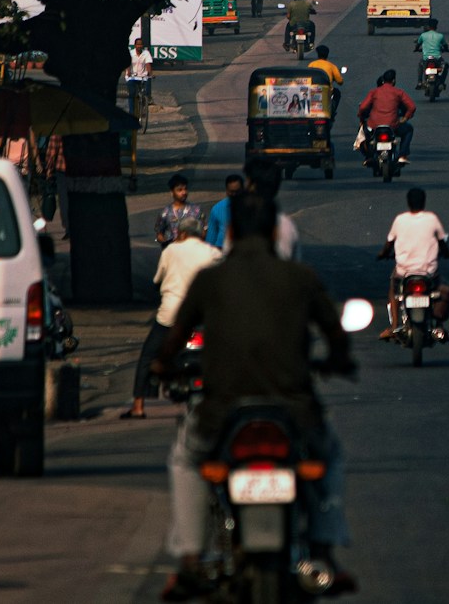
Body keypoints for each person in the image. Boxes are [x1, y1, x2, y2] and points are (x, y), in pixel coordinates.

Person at [151, 194, 357, 601]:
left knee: (186, 458)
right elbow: (336, 337)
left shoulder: (210, 280)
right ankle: (323, 549)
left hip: (221, 411)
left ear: (229, 232)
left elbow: (174, 339)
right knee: (328, 455)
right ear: (273, 232)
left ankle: (192, 558)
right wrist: (338, 363)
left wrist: (161, 367)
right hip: (293, 412)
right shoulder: (300, 277)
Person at [123, 217, 219, 420]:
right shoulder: (212, 253)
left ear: (181, 234)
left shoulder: (170, 251)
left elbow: (157, 280)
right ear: (201, 234)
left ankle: (138, 406)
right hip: (203, 316)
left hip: (170, 315)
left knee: (148, 357)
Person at [376, 187, 449, 340]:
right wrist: (448, 252)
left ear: (408, 203)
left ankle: (394, 327)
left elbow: (389, 243)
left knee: (394, 291)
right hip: (429, 272)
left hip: (403, 271)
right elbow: (442, 242)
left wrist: (383, 254)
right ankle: (439, 325)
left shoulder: (400, 220)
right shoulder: (431, 219)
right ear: (424, 202)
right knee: (440, 289)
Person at [243, 159, 300, 261]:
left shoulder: (240, 221)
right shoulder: (287, 225)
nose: (245, 185)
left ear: (253, 185)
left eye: (247, 180)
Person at [358, 69, 416, 164]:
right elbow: (412, 106)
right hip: (393, 125)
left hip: (374, 125)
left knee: (364, 134)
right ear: (393, 81)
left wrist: (360, 117)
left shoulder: (374, 92)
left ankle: (368, 156)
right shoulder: (398, 92)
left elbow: (363, 107)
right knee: (409, 130)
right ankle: (402, 155)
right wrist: (405, 118)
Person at [154, 173, 203, 249]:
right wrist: (168, 245)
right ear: (172, 192)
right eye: (179, 190)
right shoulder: (165, 213)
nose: (184, 192)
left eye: (185, 189)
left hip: (193, 251)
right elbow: (159, 234)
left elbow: (204, 230)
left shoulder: (196, 210)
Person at [204, 174, 244, 249]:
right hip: (221, 250)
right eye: (231, 192)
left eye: (237, 192)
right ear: (226, 191)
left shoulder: (252, 208)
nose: (234, 195)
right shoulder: (217, 209)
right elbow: (210, 239)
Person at [308, 45, 345, 117]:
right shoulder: (332, 66)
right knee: (337, 93)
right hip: (327, 92)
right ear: (327, 54)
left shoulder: (312, 64)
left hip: (312, 90)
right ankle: (332, 111)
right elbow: (340, 81)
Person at [413, 20, 448, 91]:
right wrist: (446, 49)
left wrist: (416, 49)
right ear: (436, 27)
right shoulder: (440, 36)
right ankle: (441, 82)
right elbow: (445, 46)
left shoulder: (423, 35)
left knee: (420, 65)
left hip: (426, 58)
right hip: (437, 58)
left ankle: (419, 82)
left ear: (428, 27)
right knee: (445, 66)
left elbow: (418, 44)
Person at [126, 39, 153, 115]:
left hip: (143, 76)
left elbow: (148, 64)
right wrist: (128, 72)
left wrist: (150, 74)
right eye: (138, 44)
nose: (139, 46)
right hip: (132, 76)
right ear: (135, 45)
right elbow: (128, 64)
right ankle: (131, 113)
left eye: (141, 44)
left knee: (146, 92)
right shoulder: (131, 53)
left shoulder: (146, 53)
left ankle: (143, 105)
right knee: (132, 93)